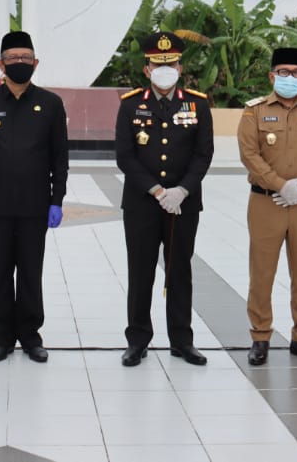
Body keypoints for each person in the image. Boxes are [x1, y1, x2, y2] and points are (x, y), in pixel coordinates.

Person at [0, 31, 68, 363]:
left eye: (26, 59)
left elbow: (59, 158)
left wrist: (57, 200)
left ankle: (31, 336)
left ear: (36, 63)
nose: (20, 64)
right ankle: (4, 336)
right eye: (13, 59)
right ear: (0, 63)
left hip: (36, 205)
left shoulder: (51, 104)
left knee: (30, 272)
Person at [114, 31, 214, 367]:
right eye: (158, 63)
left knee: (179, 271)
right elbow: (125, 157)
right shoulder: (130, 105)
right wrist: (156, 191)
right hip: (142, 203)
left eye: (170, 63)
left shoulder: (197, 104)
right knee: (141, 272)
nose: (165, 68)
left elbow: (203, 154)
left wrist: (182, 190)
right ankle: (137, 340)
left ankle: (182, 341)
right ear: (147, 69)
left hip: (183, 203)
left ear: (180, 66)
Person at [237, 46, 297, 366]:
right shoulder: (253, 112)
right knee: (262, 272)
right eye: (283, 72)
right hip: (266, 202)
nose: (289, 77)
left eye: (295, 72)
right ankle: (260, 337)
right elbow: (249, 155)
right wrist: (280, 185)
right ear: (272, 75)